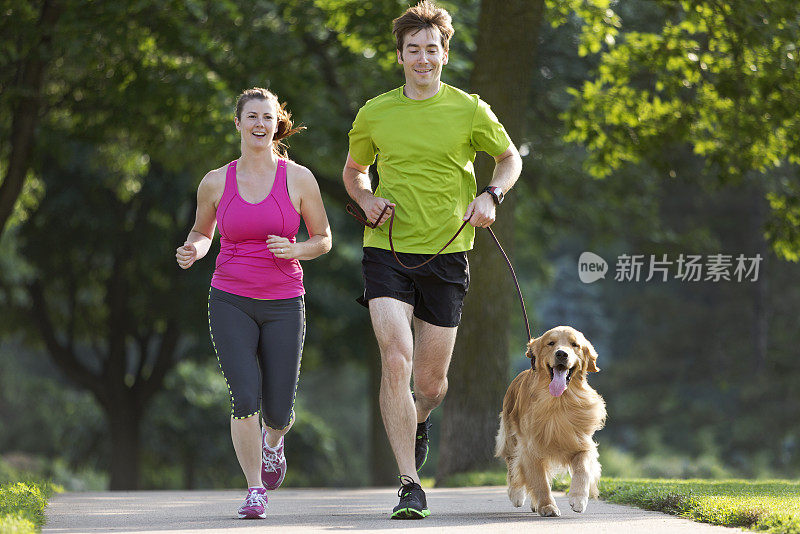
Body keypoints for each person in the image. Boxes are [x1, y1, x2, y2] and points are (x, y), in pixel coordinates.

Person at [342, 0, 522, 520]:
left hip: (448, 254)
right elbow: (354, 169)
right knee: (394, 356)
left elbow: (509, 158)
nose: (423, 58)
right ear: (399, 56)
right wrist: (366, 198)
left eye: (432, 49)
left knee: (431, 385)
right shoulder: (375, 111)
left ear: (445, 53)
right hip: (387, 251)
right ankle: (409, 482)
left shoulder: (469, 109)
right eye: (413, 50)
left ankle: (416, 419)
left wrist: (491, 195)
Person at [176, 87, 331, 519]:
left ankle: (274, 443)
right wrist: (193, 249)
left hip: (284, 301)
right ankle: (254, 489)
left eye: (267, 117)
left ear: (276, 122)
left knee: (278, 411)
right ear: (239, 123)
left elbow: (324, 238)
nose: (260, 124)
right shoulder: (215, 181)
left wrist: (296, 250)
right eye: (252, 117)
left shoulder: (298, 178)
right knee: (244, 396)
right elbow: (202, 232)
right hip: (230, 298)